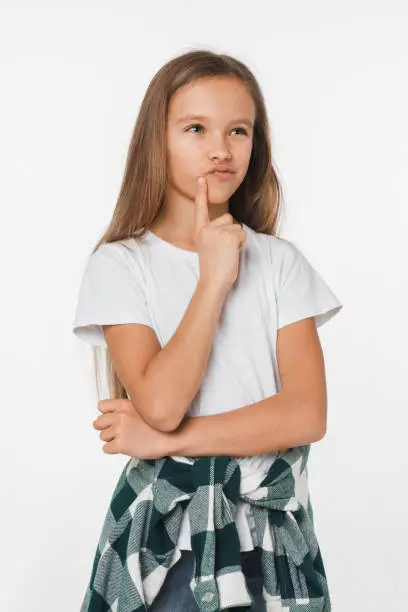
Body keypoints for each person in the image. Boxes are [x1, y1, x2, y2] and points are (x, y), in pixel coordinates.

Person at [73, 49, 343, 612]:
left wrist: (165, 443)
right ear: (158, 139)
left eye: (238, 131)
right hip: (166, 547)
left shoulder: (279, 263)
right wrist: (213, 280)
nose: (221, 149)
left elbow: (305, 416)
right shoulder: (120, 265)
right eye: (196, 128)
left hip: (272, 544)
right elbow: (162, 402)